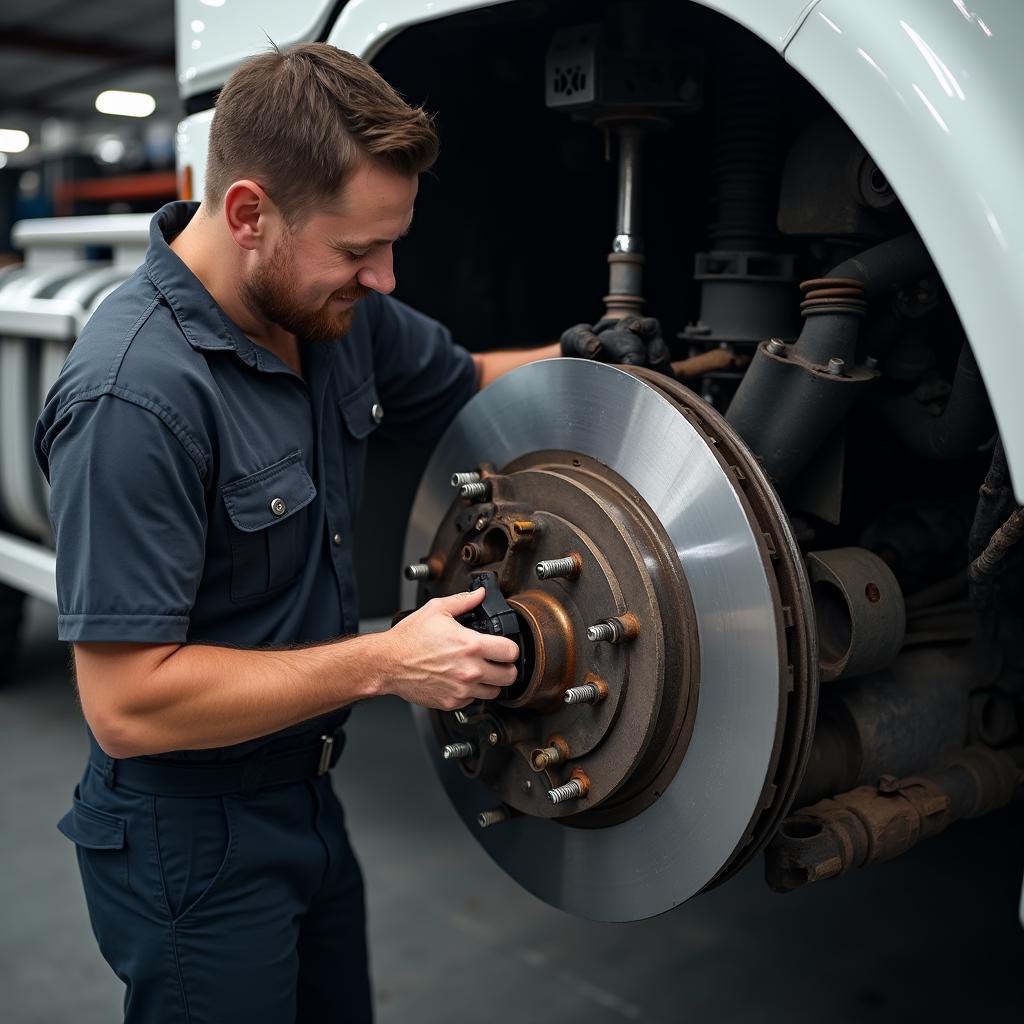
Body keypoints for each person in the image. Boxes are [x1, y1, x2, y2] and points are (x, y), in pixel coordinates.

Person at [33, 42, 666, 1024]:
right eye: (358, 250)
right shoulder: (135, 399)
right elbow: (127, 704)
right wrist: (386, 662)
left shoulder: (326, 313)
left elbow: (462, 377)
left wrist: (586, 353)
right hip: (191, 837)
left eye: (393, 243)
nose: (383, 277)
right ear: (248, 213)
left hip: (305, 797)